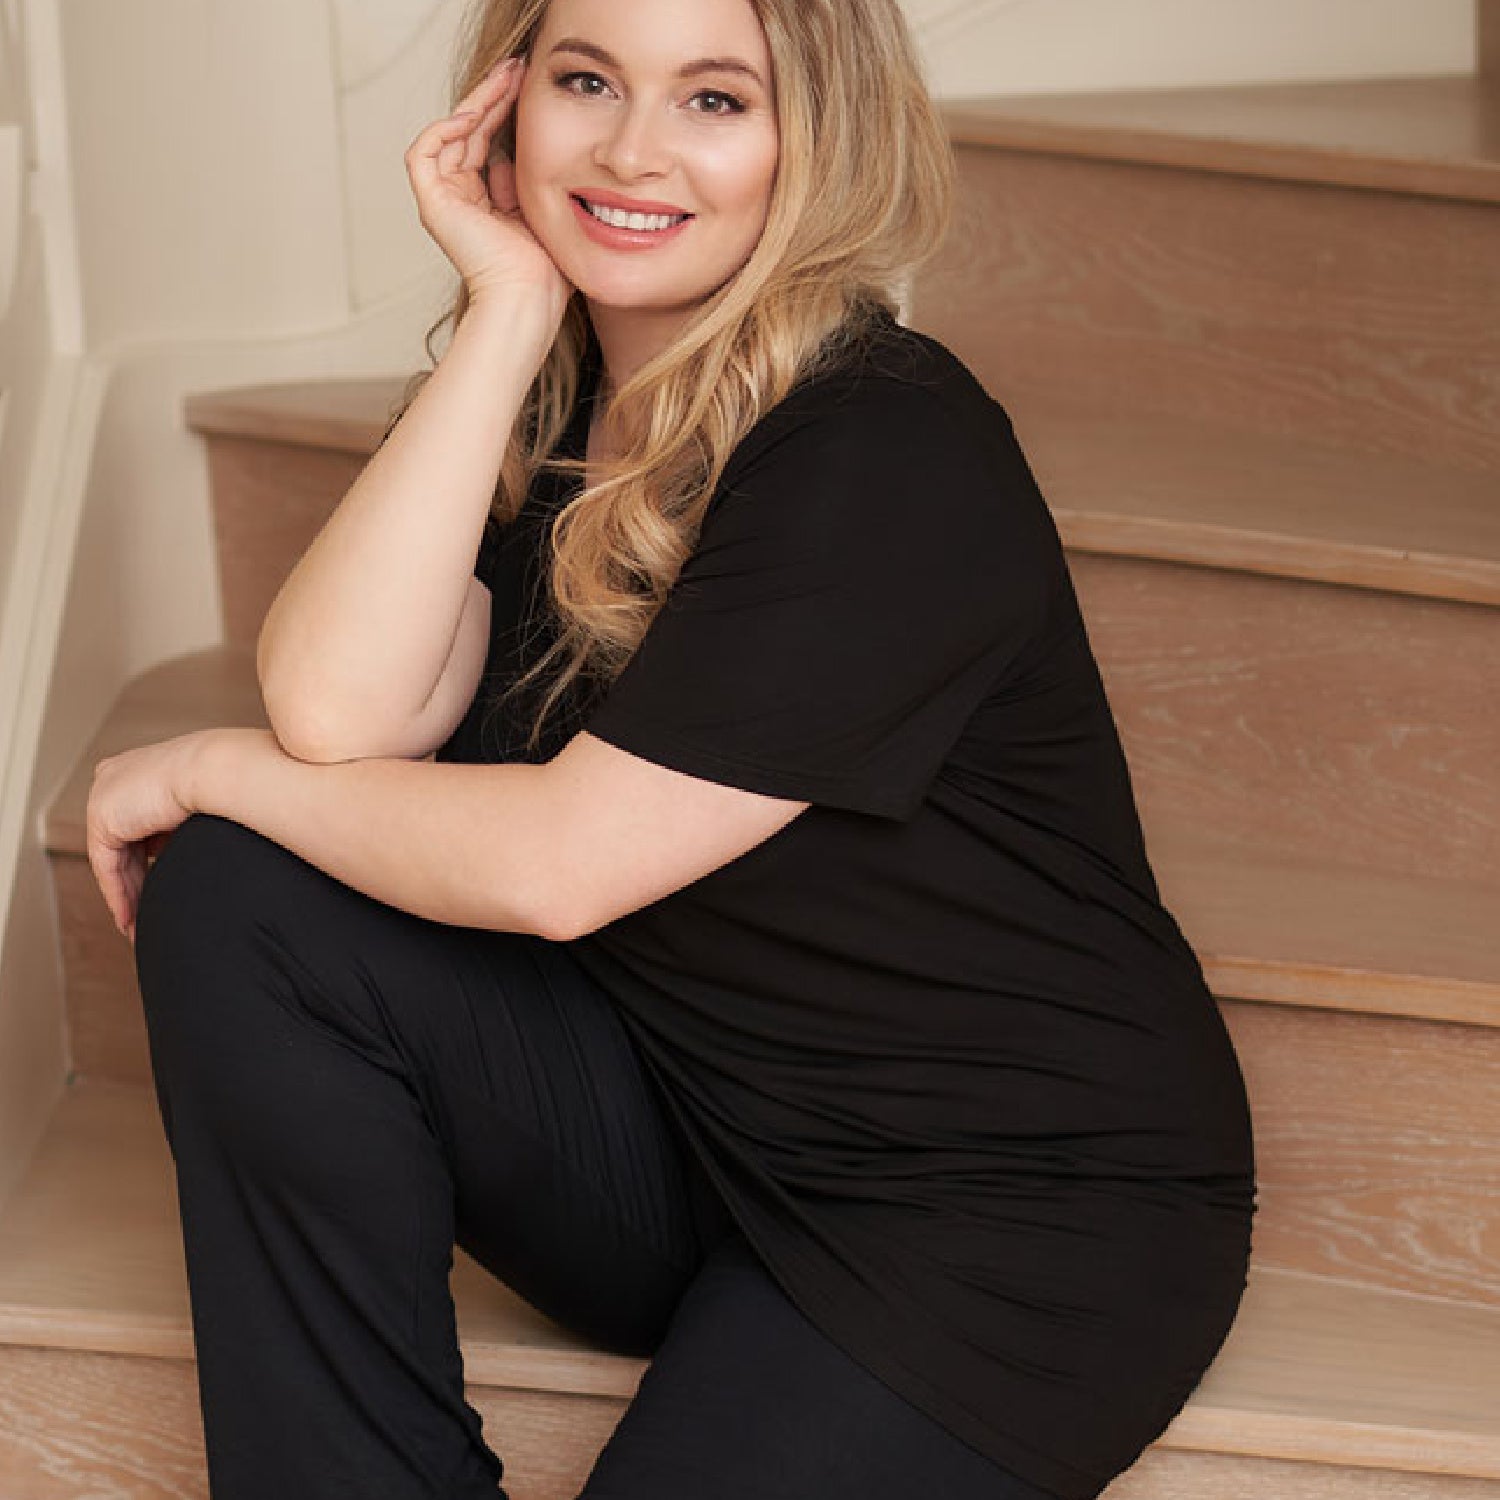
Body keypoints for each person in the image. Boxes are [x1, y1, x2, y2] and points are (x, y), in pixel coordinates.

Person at [86, 0, 1257, 1495]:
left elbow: (560, 868)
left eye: (714, 100)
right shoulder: (542, 396)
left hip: (991, 1212)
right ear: (509, 100)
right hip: (687, 1122)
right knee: (245, 896)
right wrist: (507, 310)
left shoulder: (886, 445)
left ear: (816, 139)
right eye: (587, 80)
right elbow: (339, 717)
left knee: (239, 821)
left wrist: (202, 767)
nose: (632, 150)